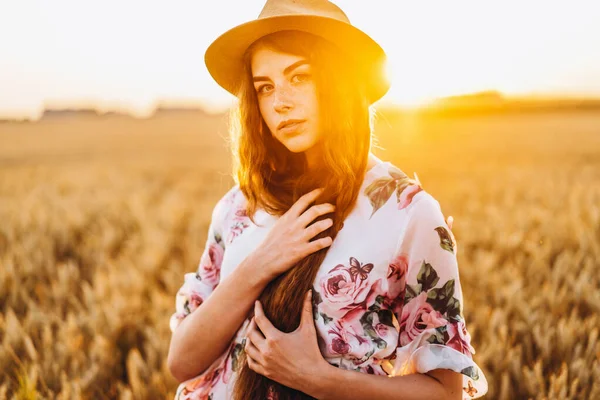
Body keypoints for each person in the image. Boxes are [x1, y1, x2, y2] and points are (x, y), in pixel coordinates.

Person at [167, 0, 489, 399]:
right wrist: (259, 265)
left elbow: (445, 393)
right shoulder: (239, 207)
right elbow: (182, 362)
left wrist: (318, 380)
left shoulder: (408, 214)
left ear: (340, 82)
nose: (280, 101)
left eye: (299, 77)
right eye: (264, 87)